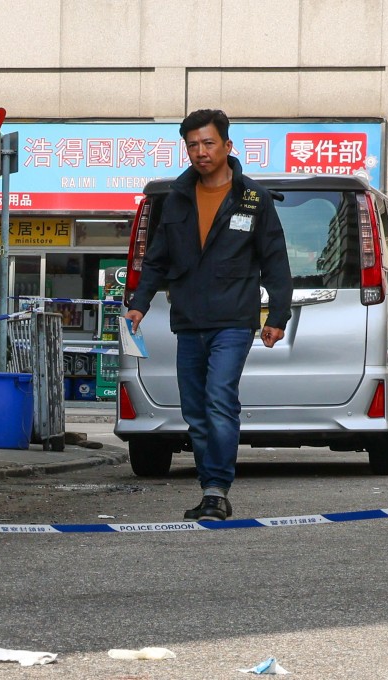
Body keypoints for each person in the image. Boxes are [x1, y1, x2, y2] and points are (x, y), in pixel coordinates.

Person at [124, 109, 292, 521]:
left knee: (219, 399)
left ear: (227, 146)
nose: (201, 152)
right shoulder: (178, 198)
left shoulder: (254, 199)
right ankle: (209, 489)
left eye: (208, 143)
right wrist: (138, 303)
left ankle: (218, 487)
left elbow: (275, 262)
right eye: (193, 145)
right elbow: (157, 259)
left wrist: (278, 317)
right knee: (194, 409)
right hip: (189, 321)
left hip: (234, 321)